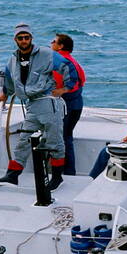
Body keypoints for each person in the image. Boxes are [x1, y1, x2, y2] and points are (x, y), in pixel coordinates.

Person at [0, 24, 67, 189]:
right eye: (20, 38)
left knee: (55, 141)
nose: (24, 40)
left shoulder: (47, 53)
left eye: (27, 37)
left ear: (31, 38)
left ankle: (58, 177)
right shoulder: (12, 59)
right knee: (24, 140)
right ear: (15, 40)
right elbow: (10, 80)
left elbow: (70, 69)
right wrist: (5, 92)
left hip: (49, 104)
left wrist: (65, 89)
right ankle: (12, 175)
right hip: (31, 106)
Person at [51, 32, 86, 174]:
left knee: (63, 139)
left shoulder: (60, 62)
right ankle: (68, 171)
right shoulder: (72, 60)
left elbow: (57, 86)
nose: (51, 43)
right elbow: (82, 79)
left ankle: (67, 172)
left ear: (60, 46)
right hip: (77, 104)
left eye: (54, 41)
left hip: (67, 106)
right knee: (67, 137)